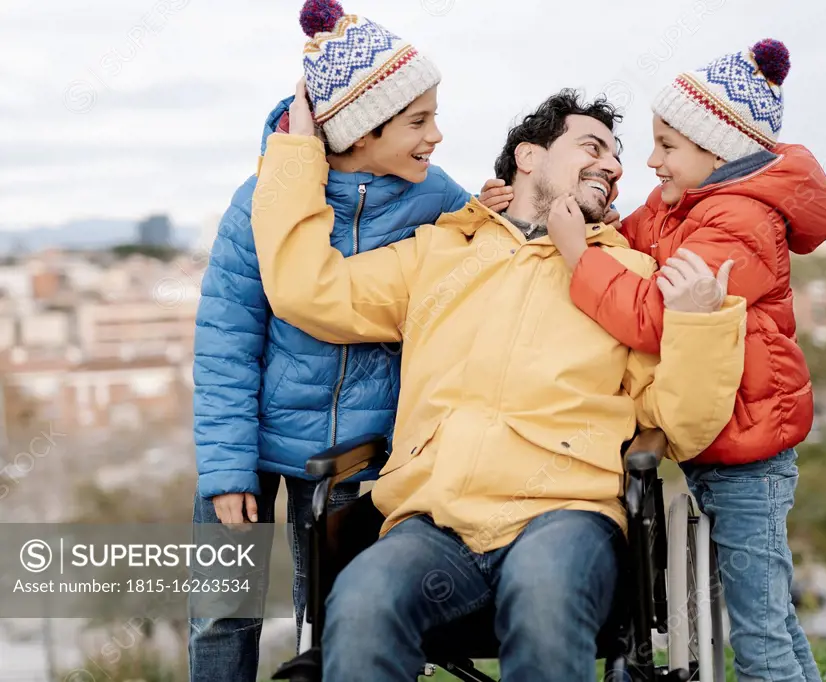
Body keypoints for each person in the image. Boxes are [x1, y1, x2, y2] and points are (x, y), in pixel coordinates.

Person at [249, 86, 747, 681]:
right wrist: (297, 151)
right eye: (593, 146)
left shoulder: (629, 275)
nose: (615, 167)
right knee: (361, 603)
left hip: (567, 514)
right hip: (433, 520)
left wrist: (698, 324)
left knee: (543, 597)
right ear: (529, 157)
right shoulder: (438, 252)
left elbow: (683, 426)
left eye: (617, 158)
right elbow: (307, 289)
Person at [484, 39, 826, 682]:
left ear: (719, 151)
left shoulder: (741, 222)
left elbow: (653, 318)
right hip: (727, 444)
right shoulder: (689, 205)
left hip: (751, 455)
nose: (650, 162)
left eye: (667, 146)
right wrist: (531, 210)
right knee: (771, 618)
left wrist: (575, 255)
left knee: (758, 632)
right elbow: (629, 239)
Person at [188, 1, 471, 680]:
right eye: (418, 120)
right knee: (222, 613)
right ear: (361, 131)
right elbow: (225, 342)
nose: (436, 134)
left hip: (356, 456)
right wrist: (226, 469)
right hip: (248, 443)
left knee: (330, 615)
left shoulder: (436, 198)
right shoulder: (258, 202)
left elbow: (490, 251)